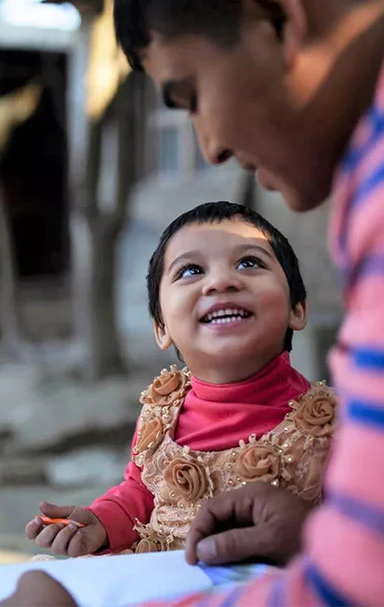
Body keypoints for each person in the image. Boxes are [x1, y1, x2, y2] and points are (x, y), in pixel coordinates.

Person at [0, 0, 384, 605]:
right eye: (188, 273)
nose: (210, 146)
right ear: (161, 325)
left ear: (277, 19)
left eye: (192, 95)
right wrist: (328, 536)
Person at [27, 202, 334, 558]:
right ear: (162, 328)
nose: (221, 282)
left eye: (249, 263)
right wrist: (103, 522)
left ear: (297, 309)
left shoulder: (335, 428)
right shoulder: (160, 414)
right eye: (191, 270)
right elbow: (142, 492)